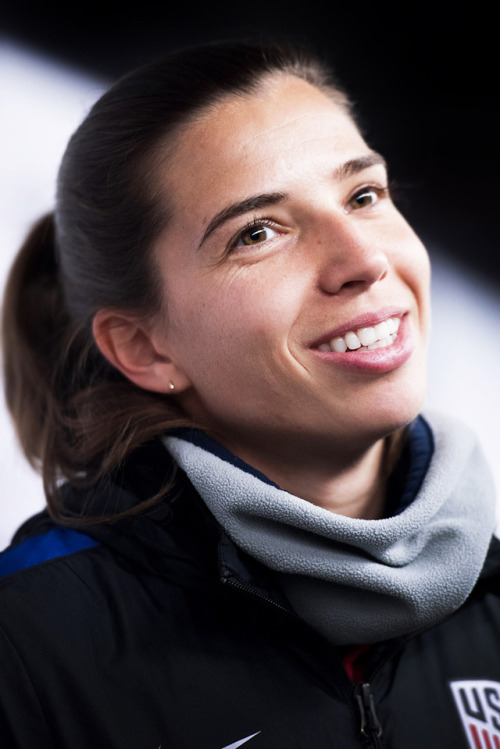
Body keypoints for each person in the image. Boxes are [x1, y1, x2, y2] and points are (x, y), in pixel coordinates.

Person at [0, 38, 498, 749]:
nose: (363, 259)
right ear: (144, 346)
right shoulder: (26, 647)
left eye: (363, 195)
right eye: (258, 232)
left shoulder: (492, 600)